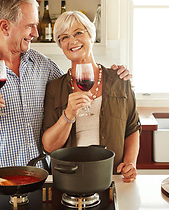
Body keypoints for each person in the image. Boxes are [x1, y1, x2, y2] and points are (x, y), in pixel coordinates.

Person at [0, 0, 130, 175]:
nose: (35, 33)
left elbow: (72, 86)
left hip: (39, 177)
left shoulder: (44, 65)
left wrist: (114, 75)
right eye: (30, 26)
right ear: (5, 26)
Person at [42, 11, 141, 183]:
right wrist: (69, 114)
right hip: (69, 180)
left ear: (91, 35)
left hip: (111, 177)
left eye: (78, 32)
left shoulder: (120, 80)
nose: (72, 40)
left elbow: (132, 128)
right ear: (60, 45)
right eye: (64, 37)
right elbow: (49, 146)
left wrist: (130, 162)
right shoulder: (54, 87)